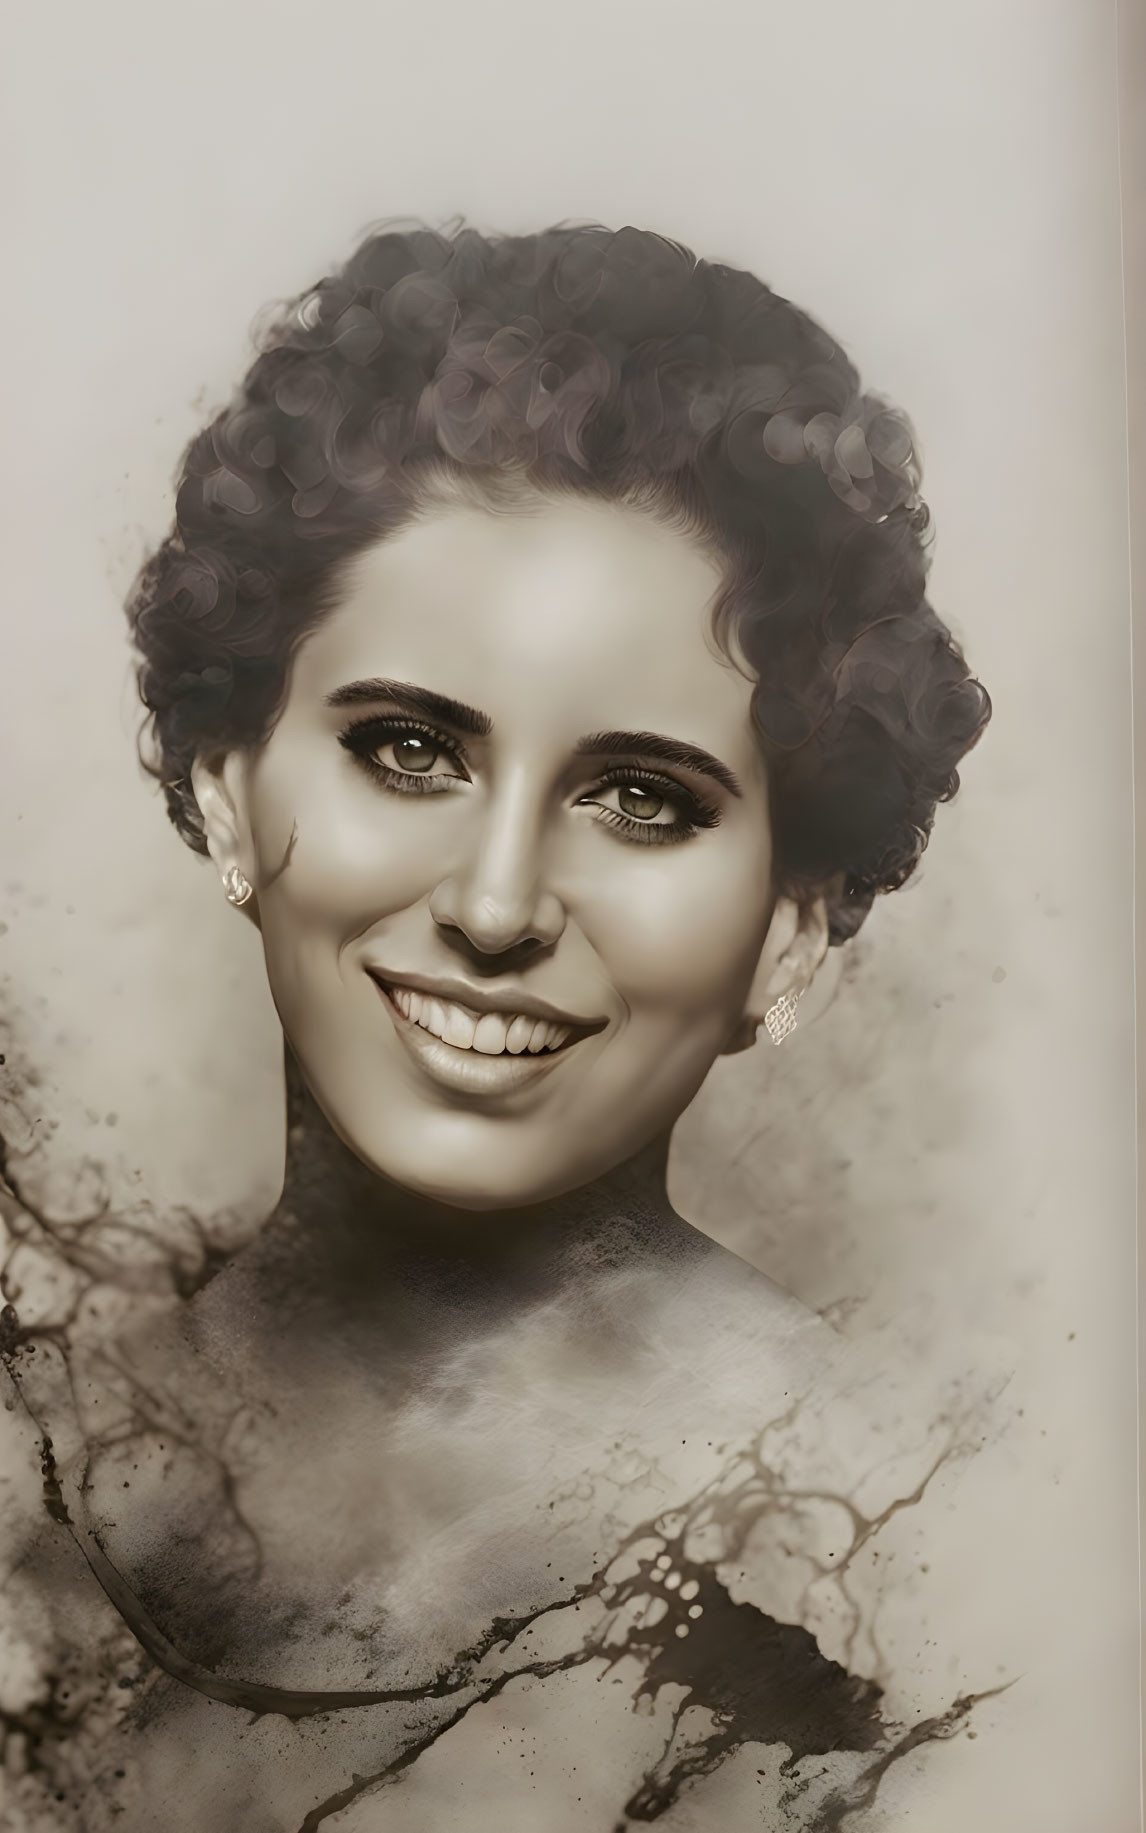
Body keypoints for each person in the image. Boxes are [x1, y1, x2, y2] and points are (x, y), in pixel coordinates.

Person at [1, 222, 989, 1832]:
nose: (497, 897)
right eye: (406, 750)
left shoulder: (934, 1573)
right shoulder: (26, 1478)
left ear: (787, 937)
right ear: (227, 796)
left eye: (639, 797)